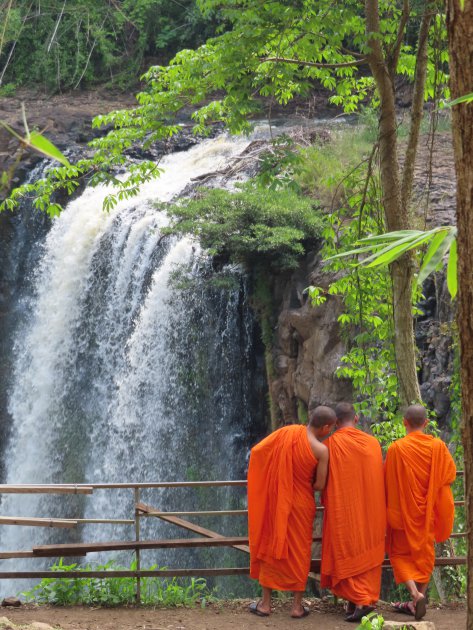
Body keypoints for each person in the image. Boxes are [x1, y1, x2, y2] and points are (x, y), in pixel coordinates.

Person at [247, 405, 336, 619]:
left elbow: (258, 451)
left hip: (278, 501)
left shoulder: (286, 433)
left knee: (272, 544)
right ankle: (296, 606)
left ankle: (266, 604)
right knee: (300, 551)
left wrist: (273, 479)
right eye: (331, 428)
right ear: (324, 427)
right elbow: (320, 484)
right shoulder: (321, 450)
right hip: (302, 504)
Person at [385, 404, 456, 621]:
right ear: (426, 423)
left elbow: (387, 482)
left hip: (402, 516)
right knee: (425, 555)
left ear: (404, 422)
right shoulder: (438, 446)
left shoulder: (396, 449)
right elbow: (449, 475)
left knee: (398, 555)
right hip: (428, 515)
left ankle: (414, 595)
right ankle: (421, 595)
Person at [320, 402, 386, 623]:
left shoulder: (329, 445)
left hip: (344, 512)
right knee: (364, 550)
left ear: (335, 423)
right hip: (370, 513)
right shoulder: (373, 444)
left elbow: (321, 481)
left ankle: (360, 602)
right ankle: (357, 601)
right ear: (356, 419)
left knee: (347, 550)